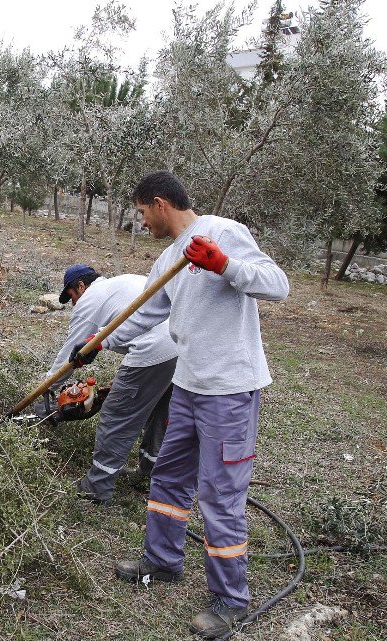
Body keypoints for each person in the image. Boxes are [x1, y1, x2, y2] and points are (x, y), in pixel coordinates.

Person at [70, 170, 289, 638]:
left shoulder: (222, 231)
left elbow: (276, 284)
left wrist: (224, 264)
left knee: (219, 495)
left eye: (142, 212)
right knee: (169, 476)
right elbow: (146, 312)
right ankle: (162, 560)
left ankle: (231, 600)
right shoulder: (170, 257)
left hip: (228, 389)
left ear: (159, 203)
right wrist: (99, 343)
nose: (142, 222)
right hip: (188, 386)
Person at [46, 264, 178, 504]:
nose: (74, 304)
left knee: (117, 417)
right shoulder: (122, 282)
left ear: (81, 286)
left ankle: (96, 489)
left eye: (72, 297)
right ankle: (149, 475)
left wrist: (47, 388)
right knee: (159, 413)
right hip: (181, 346)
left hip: (153, 349)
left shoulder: (90, 300)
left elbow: (71, 354)